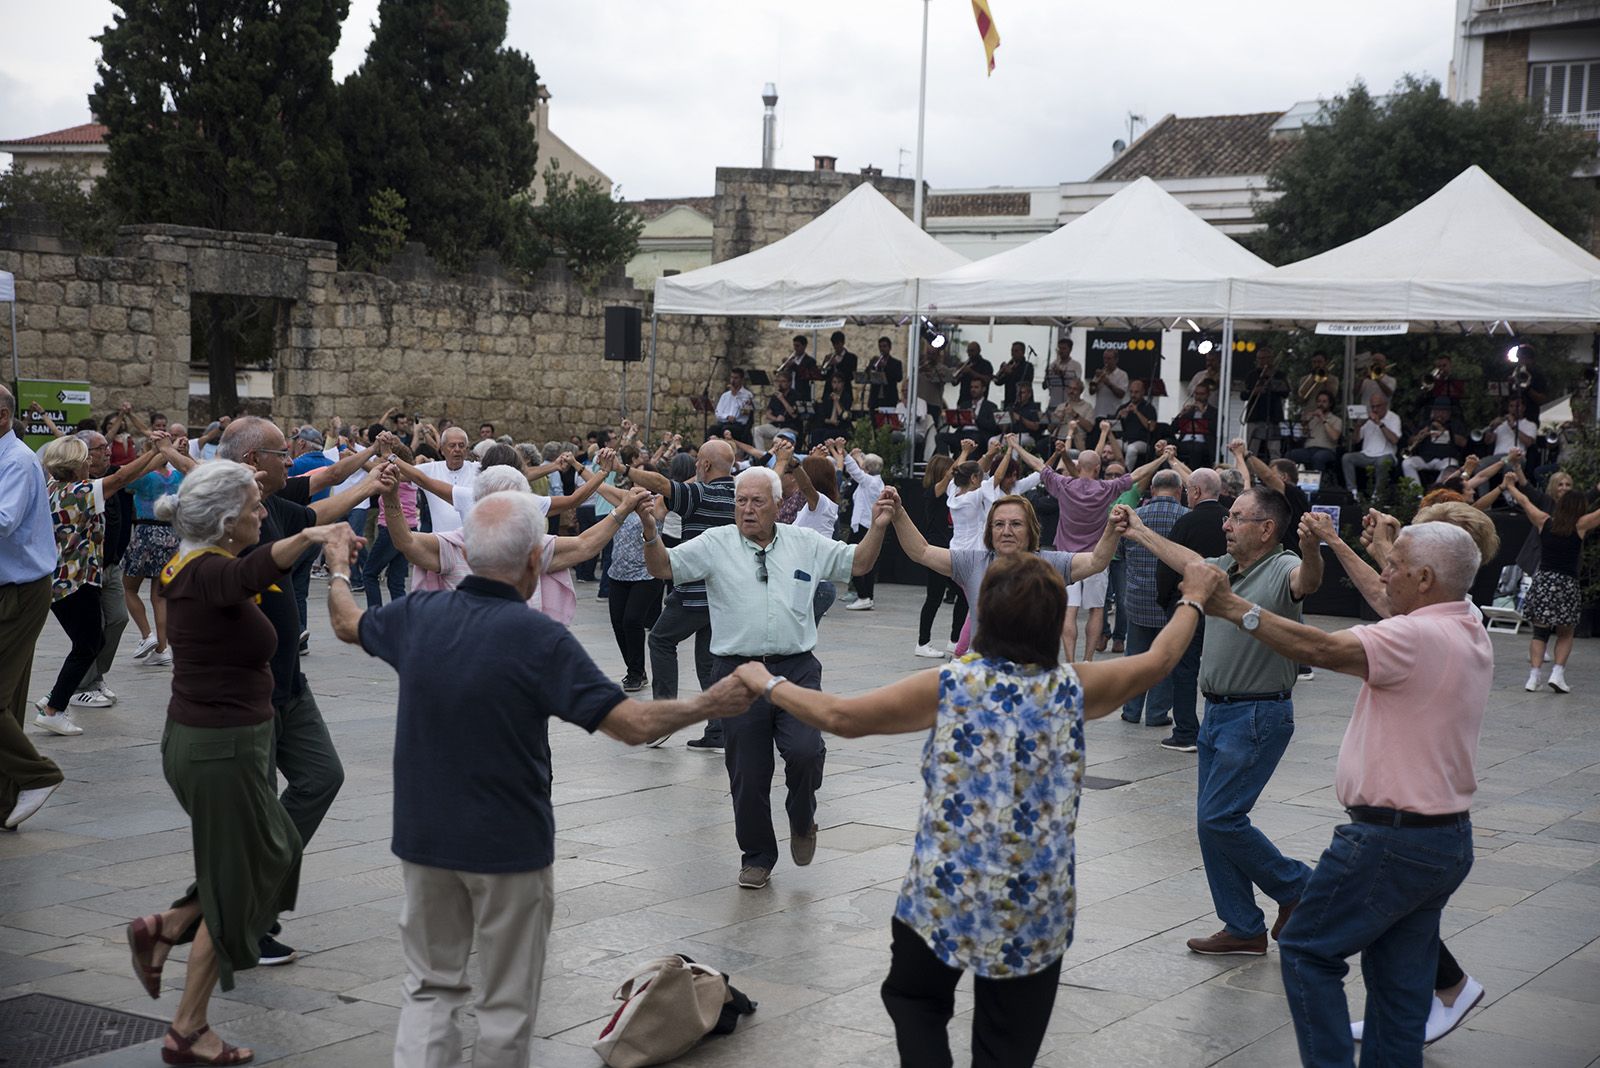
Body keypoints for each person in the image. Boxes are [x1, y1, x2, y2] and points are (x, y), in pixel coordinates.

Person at [731, 552, 1224, 1067]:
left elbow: (841, 717)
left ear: (984, 617)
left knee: (913, 1001)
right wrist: (1193, 596)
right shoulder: (1074, 688)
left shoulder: (951, 685)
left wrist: (765, 681)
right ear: (1055, 622)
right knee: (1006, 1048)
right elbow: (1160, 660)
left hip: (942, 897)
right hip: (1033, 908)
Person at [325, 490, 750, 1068]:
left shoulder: (417, 616)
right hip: (508, 848)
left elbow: (348, 624)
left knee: (430, 989)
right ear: (533, 561)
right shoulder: (538, 640)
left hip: (425, 840)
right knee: (505, 1006)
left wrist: (339, 570)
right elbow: (629, 724)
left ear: (469, 555)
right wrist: (710, 703)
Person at [1200, 522, 1489, 1066]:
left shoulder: (1412, 637)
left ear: (1424, 579)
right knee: (1400, 986)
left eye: (1393, 561)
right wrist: (1344, 543)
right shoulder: (1466, 620)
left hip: (1389, 840)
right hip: (1444, 840)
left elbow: (1320, 647)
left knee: (1307, 949)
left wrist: (1234, 607)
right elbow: (1385, 597)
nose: (1383, 570)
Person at [124, 460, 350, 1067]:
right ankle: (188, 1029)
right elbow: (247, 574)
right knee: (241, 878)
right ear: (227, 522)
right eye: (254, 508)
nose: (262, 514)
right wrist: (310, 538)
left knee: (267, 854)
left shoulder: (200, 561)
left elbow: (249, 572)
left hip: (223, 740)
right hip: (219, 746)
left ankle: (169, 925)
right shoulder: (205, 572)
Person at [641, 466, 892, 890]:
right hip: (737, 674)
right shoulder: (715, 543)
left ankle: (802, 817)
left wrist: (880, 525)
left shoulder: (804, 542)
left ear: (779, 505)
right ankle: (757, 855)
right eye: (741, 501)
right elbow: (663, 567)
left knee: (806, 751)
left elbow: (859, 561)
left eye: (758, 501)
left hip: (795, 669)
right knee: (749, 772)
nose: (748, 509)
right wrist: (651, 531)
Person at [1117, 485, 1324, 957]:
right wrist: (1141, 531)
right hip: (1217, 713)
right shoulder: (1227, 570)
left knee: (1220, 817)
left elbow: (1309, 579)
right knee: (1211, 823)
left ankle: (1298, 887)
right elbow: (1189, 560)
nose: (1225, 525)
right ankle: (1243, 926)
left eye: (1236, 517)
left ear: (1266, 529)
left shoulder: (1283, 567)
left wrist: (1313, 550)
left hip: (1257, 713)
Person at [216, 416, 389, 964]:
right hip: (249, 693)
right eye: (280, 454)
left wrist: (368, 486)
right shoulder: (225, 514)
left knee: (321, 777)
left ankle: (253, 892)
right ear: (250, 460)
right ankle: (240, 920)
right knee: (257, 810)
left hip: (290, 683)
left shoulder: (268, 505)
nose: (290, 462)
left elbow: (313, 515)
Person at [33, 434, 164, 736]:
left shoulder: (53, 487)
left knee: (86, 643)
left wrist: (157, 455)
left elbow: (125, 476)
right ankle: (54, 709)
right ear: (76, 463)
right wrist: (153, 452)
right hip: (75, 581)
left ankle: (53, 699)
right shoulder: (79, 492)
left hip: (62, 580)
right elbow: (120, 478)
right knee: (88, 645)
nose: (91, 462)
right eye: (86, 458)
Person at [889, 489, 1117, 652]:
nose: (1006, 531)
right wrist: (898, 514)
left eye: (1016, 524)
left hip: (1031, 677)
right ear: (990, 531)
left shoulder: (1049, 564)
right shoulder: (972, 563)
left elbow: (1097, 561)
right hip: (981, 674)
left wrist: (1113, 529)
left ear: (1031, 531)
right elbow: (921, 552)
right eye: (999, 524)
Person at [623, 439, 737, 751]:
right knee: (707, 661)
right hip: (724, 595)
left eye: (699, 461)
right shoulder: (740, 495)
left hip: (694, 593)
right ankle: (718, 731)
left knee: (660, 639)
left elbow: (660, 484)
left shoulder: (700, 493)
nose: (697, 465)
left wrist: (622, 468)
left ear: (706, 465)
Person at [1014, 438, 1172, 661]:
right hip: (1095, 559)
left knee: (1069, 610)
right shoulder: (1107, 487)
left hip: (1066, 557)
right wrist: (1163, 458)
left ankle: (1070, 660)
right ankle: (1087, 660)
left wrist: (1016, 446)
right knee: (1097, 610)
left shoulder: (1064, 485)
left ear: (1078, 467)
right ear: (1099, 468)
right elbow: (1137, 475)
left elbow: (1039, 465)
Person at [0, 384, 66, 829]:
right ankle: (6, 802)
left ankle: (39, 775)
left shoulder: (18, 461)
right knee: (9, 699)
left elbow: (3, 521)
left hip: (19, 593)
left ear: (2, 417)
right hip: (12, 589)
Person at [1501, 472, 1600, 694]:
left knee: (1540, 631)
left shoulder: (1544, 521)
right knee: (1566, 631)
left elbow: (1525, 501)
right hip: (1567, 582)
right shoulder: (1581, 525)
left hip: (1544, 580)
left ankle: (1533, 678)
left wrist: (1510, 486)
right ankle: (1557, 673)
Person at [1152, 467, 1227, 752]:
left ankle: (1185, 731)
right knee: (1220, 667)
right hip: (1226, 604)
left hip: (1190, 605)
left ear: (1195, 492)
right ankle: (1217, 728)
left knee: (1184, 669)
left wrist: (1166, 599)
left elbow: (1168, 564)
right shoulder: (1232, 520)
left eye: (1187, 491)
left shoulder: (1187, 522)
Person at [121, 429, 196, 672]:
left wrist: (158, 451)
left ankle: (147, 634)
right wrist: (174, 450)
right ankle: (163, 649)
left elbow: (128, 480)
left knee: (129, 587)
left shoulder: (145, 477)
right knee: (160, 595)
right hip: (172, 535)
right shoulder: (176, 478)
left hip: (145, 533)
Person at [1119, 470, 1188, 727]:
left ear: (1152, 490)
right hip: (1171, 603)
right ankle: (1157, 713)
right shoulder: (1186, 518)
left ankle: (1131, 710)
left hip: (1137, 599)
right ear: (1179, 492)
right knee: (1165, 659)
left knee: (1135, 656)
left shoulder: (1138, 517)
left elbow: (1121, 552)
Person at [914, 455, 967, 658]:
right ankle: (923, 642)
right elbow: (950, 474)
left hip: (949, 551)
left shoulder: (951, 494)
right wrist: (963, 453)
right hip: (936, 551)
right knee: (935, 597)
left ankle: (954, 640)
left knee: (961, 594)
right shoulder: (932, 493)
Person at [363, 442, 420, 608]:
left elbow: (372, 470)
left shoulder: (396, 475)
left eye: (382, 456)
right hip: (409, 530)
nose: (379, 460)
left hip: (391, 530)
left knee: (369, 574)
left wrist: (354, 457)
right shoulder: (411, 475)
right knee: (396, 581)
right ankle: (401, 619)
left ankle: (375, 616)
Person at [411, 426, 479, 534]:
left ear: (466, 449)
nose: (457, 449)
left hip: (471, 542)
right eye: (452, 445)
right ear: (442, 450)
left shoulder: (479, 470)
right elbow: (401, 473)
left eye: (461, 445)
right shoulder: (430, 469)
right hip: (440, 544)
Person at [842, 445, 886, 611]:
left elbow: (855, 470)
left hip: (863, 527)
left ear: (867, 468)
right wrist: (859, 454)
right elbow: (864, 465)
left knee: (855, 560)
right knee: (867, 562)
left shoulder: (869, 482)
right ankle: (867, 596)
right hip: (865, 526)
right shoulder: (875, 481)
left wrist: (845, 453)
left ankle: (863, 595)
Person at [1342, 393, 1400, 500]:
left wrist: (1380, 424)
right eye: (1372, 406)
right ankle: (1353, 492)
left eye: (1378, 406)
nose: (1375, 409)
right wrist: (1358, 425)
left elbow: (1394, 440)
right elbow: (1356, 440)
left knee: (1382, 462)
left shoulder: (1393, 418)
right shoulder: (1367, 418)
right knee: (1347, 458)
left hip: (1386, 454)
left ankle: (1377, 496)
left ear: (1385, 405)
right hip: (1367, 454)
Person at [1401, 401, 1468, 487]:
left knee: (1452, 465)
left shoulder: (1455, 425)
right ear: (1433, 412)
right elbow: (1410, 441)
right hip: (1425, 458)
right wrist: (1420, 435)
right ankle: (1416, 494)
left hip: (1444, 459)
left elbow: (1463, 443)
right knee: (1407, 463)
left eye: (1443, 412)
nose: (1440, 414)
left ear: (1449, 413)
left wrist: (1444, 431)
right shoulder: (1426, 424)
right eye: (1437, 411)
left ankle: (1435, 489)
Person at [1241, 348, 1289, 459]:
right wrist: (1255, 391)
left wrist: (1274, 384)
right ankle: (1250, 474)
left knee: (1274, 450)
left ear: (1271, 359)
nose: (1263, 361)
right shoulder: (1252, 375)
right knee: (1252, 450)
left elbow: (1286, 393)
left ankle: (1276, 473)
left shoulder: (1279, 375)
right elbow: (1243, 395)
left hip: (1274, 417)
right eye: (1260, 359)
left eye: (1266, 358)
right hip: (1255, 416)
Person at [1288, 391, 1342, 481]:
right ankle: (1291, 482)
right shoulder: (1313, 418)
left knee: (1318, 458)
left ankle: (1318, 485)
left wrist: (1323, 419)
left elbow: (1335, 437)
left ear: (1330, 404)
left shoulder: (1336, 420)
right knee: (1291, 454)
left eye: (1324, 402)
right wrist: (1305, 423)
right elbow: (1303, 435)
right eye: (1319, 401)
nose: (1321, 404)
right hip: (1309, 449)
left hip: (1327, 450)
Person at [752, 369, 802, 452]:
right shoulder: (775, 396)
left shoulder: (796, 395)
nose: (780, 384)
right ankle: (761, 455)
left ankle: (775, 459)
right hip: (776, 425)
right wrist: (776, 419)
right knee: (756, 430)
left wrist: (782, 399)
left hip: (789, 426)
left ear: (789, 383)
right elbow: (768, 414)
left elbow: (794, 414)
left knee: (777, 438)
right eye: (779, 381)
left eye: (783, 381)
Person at [1173, 382, 1219, 469]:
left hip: (1204, 444)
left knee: (1196, 449)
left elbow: (1215, 429)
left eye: (1202, 394)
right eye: (1196, 394)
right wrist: (1181, 414)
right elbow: (1173, 429)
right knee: (1169, 446)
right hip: (1185, 442)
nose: (1198, 397)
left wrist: (1203, 412)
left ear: (1208, 395)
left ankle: (1192, 475)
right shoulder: (1189, 411)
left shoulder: (1214, 412)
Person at [1115, 378, 1158, 467]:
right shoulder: (1124, 406)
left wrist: (1137, 412)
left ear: (1143, 392)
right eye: (1131, 392)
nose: (1133, 395)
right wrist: (1119, 416)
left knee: (1132, 449)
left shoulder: (1149, 408)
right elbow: (1113, 426)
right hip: (1125, 440)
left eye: (1136, 392)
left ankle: (1126, 474)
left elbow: (1152, 427)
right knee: (1109, 445)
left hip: (1142, 442)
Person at [711, 368, 756, 444]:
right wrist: (727, 417)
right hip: (725, 422)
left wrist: (737, 396)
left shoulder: (747, 395)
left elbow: (745, 412)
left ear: (741, 380)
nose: (733, 380)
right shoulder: (725, 395)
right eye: (732, 377)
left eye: (736, 378)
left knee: (726, 429)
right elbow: (718, 412)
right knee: (712, 429)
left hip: (739, 425)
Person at [864, 335, 904, 411]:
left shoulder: (896, 363)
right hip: (875, 399)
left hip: (889, 398)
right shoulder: (875, 360)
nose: (882, 349)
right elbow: (866, 375)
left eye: (884, 346)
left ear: (889, 348)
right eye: (880, 346)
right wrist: (871, 365)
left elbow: (899, 378)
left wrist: (886, 367)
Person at [1042, 336, 1082, 410]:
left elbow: (1077, 384)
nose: (1061, 351)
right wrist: (1047, 374)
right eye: (1059, 348)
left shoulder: (1076, 365)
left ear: (1070, 350)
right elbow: (1044, 386)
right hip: (1053, 404)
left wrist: (1063, 374)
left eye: (1064, 348)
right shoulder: (1053, 365)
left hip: (1069, 404)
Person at [778, 334, 820, 403]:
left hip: (802, 393)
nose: (795, 348)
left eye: (797, 346)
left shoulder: (810, 361)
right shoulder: (792, 359)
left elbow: (806, 375)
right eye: (794, 345)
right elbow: (785, 375)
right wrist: (785, 367)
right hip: (789, 392)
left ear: (804, 346)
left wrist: (794, 366)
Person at [1088, 349, 1129, 420]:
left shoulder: (1122, 374)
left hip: (1113, 414)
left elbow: (1121, 394)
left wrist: (1108, 384)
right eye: (1104, 358)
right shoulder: (1101, 373)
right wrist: (1096, 380)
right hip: (1098, 413)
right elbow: (1091, 392)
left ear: (1116, 360)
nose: (1106, 361)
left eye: (1109, 359)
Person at [818, 330, 858, 403]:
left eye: (837, 343)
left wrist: (837, 364)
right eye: (834, 344)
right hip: (829, 391)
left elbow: (851, 376)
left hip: (845, 392)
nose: (836, 346)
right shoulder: (829, 357)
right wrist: (825, 366)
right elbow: (823, 375)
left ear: (843, 343)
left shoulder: (851, 357)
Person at [993, 340, 1034, 407]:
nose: (1013, 353)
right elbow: (998, 382)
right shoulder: (1009, 365)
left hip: (1024, 403)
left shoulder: (1028, 366)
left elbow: (1026, 381)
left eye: (1016, 351)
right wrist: (1001, 372)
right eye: (1012, 351)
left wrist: (1011, 373)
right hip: (1009, 402)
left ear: (1023, 352)